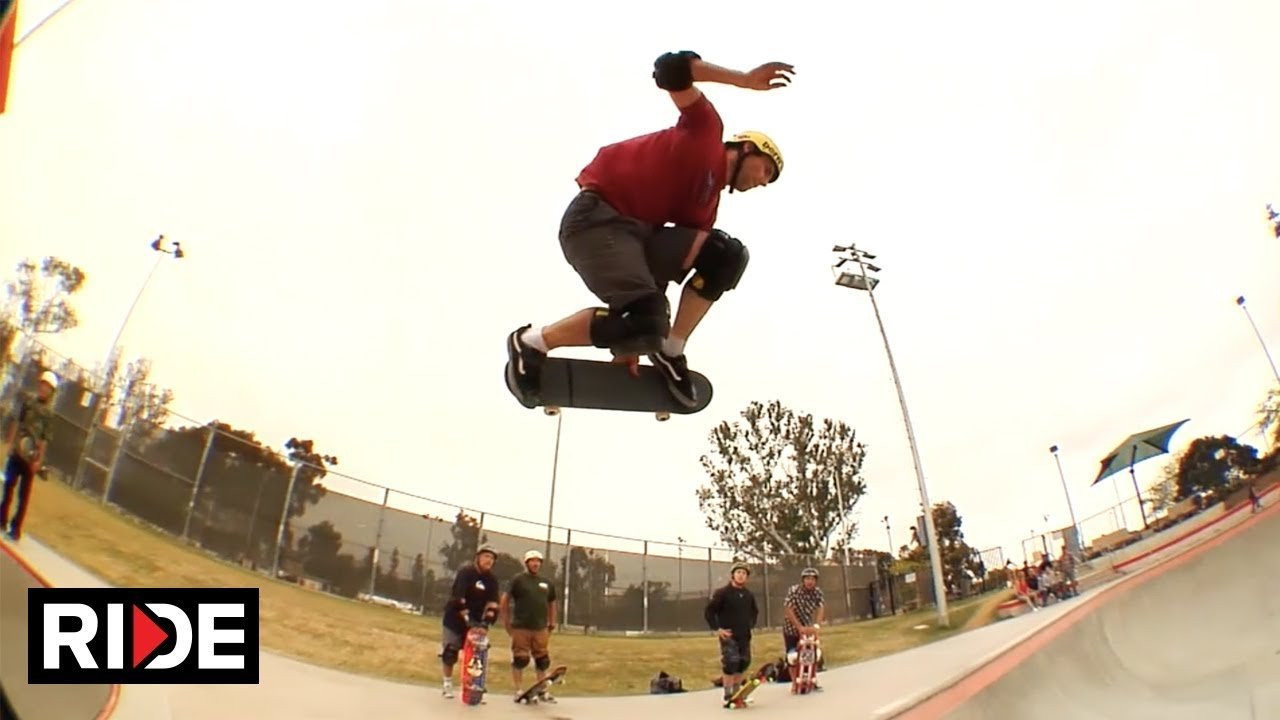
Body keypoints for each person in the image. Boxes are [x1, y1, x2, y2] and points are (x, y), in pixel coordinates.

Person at [506, 50, 794, 409]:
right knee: (644, 317)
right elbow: (670, 69)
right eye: (766, 170)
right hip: (595, 221)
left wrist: (640, 340)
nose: (763, 183)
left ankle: (670, 350)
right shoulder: (705, 134)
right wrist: (743, 79)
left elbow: (660, 274)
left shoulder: (706, 208)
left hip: (639, 238)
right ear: (748, 149)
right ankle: (532, 342)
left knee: (724, 255)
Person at [2, 370, 57, 542]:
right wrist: (10, 444)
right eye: (42, 385)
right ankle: (1, 519)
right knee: (8, 486)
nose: (43, 389)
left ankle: (16, 528)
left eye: (47, 388)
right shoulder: (28, 402)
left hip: (30, 457)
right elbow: (17, 422)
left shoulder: (48, 414)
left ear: (51, 392)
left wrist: (38, 460)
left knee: (23, 495)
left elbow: (44, 440)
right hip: (18, 451)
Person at [439, 545, 501, 699]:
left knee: (476, 656)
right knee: (450, 652)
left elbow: (493, 604)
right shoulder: (466, 573)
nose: (489, 560)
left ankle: (473, 686)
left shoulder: (492, 580)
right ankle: (447, 683)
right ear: (478, 557)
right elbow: (459, 598)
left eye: (492, 558)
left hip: (476, 621)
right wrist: (468, 620)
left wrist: (486, 623)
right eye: (486, 556)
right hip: (455, 617)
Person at [501, 549, 558, 703]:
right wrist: (506, 621)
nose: (536, 564)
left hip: (540, 627)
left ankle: (542, 690)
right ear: (526, 563)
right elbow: (505, 600)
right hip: (521, 627)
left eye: (538, 561)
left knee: (542, 660)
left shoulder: (547, 583)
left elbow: (552, 603)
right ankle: (518, 690)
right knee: (520, 659)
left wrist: (552, 622)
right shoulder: (518, 580)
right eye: (532, 561)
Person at [705, 562, 759, 705]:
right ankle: (728, 694)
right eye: (738, 572)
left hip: (744, 634)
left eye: (744, 573)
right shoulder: (723, 593)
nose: (741, 575)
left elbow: (754, 612)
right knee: (731, 663)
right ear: (733, 575)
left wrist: (750, 625)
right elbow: (709, 612)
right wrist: (718, 629)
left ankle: (738, 693)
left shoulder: (748, 595)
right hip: (729, 635)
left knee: (743, 663)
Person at [781, 567, 825, 689]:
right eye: (807, 579)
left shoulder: (817, 592)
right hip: (792, 628)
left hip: (808, 628)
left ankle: (812, 679)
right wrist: (798, 627)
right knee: (792, 656)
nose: (810, 581)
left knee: (812, 653)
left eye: (812, 579)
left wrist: (817, 626)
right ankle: (795, 683)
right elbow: (788, 609)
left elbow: (821, 608)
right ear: (803, 580)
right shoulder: (794, 590)